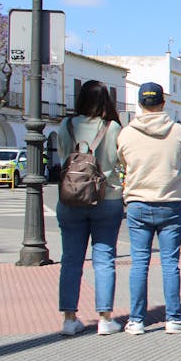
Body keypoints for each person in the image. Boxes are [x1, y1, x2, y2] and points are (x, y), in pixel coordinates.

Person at [116, 82, 181, 334]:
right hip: (171, 203)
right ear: (163, 103)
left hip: (138, 203)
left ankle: (137, 320)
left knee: (139, 263)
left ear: (140, 104)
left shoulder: (126, 133)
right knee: (170, 263)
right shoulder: (178, 132)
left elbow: (123, 162)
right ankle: (173, 318)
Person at [56, 80, 124, 336]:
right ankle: (105, 319)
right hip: (107, 199)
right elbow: (120, 160)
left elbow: (63, 154)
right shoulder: (113, 127)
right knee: (104, 259)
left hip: (71, 198)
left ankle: (69, 319)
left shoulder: (65, 125)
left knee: (71, 260)